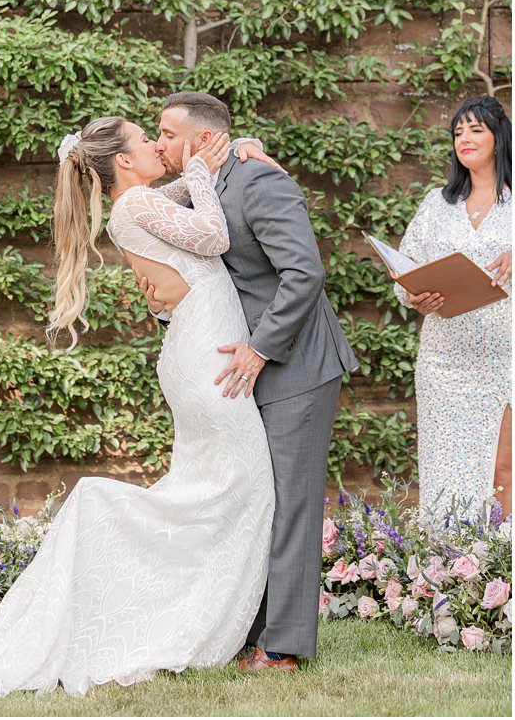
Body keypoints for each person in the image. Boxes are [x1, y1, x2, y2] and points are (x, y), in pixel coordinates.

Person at [0, 115, 274, 695]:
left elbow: (190, 212)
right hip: (208, 359)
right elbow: (214, 236)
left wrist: (233, 152)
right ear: (123, 160)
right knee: (234, 487)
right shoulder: (135, 207)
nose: (155, 145)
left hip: (199, 349)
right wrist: (199, 165)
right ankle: (159, 589)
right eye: (146, 140)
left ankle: (183, 611)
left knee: (216, 487)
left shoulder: (139, 202)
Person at [150, 91, 358, 674]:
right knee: (255, 499)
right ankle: (250, 628)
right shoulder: (200, 192)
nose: (159, 143)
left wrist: (261, 347)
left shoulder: (259, 182)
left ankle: (284, 645)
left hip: (297, 366)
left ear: (205, 137)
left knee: (291, 503)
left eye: (167, 133)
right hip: (246, 370)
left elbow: (304, 272)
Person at [395, 95, 512, 520]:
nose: (464, 137)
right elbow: (405, 269)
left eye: (475, 129)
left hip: (505, 360)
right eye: (458, 131)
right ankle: (449, 575)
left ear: (499, 138)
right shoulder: (435, 204)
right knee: (445, 474)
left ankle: (501, 574)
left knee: (503, 469)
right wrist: (413, 296)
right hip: (444, 363)